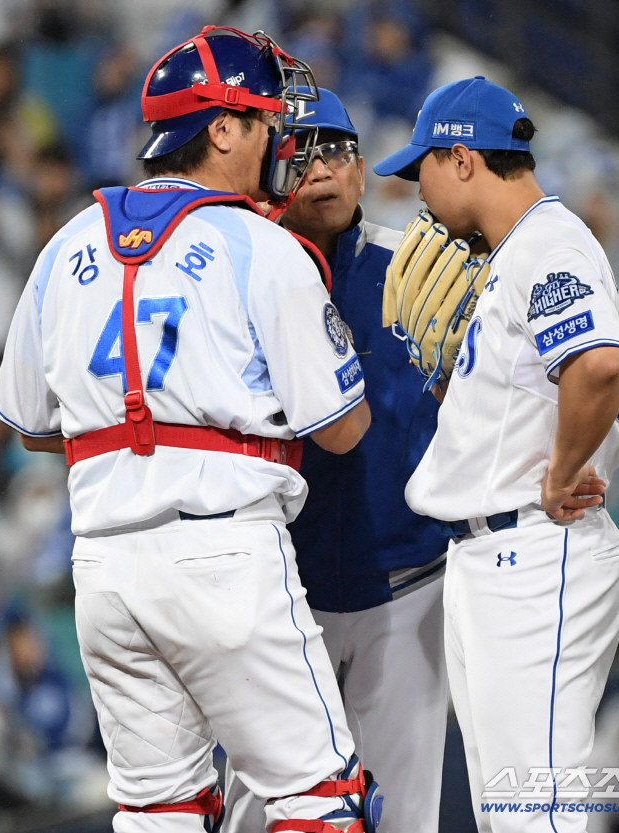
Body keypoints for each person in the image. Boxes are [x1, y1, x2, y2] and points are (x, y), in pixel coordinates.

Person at [0, 26, 378, 833]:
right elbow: (343, 428)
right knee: (323, 804)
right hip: (224, 553)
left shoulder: (66, 244)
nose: (281, 135)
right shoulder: (260, 245)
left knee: (158, 811)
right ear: (223, 129)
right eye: (266, 117)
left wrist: (139, 433)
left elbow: (29, 426)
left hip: (102, 563)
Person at [373, 76, 619, 833]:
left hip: (536, 552)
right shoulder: (513, 254)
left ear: (461, 159)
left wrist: (558, 472)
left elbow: (600, 363)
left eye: (420, 164)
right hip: (497, 558)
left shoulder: (549, 243)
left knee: (536, 816)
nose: (414, 185)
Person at [223, 89, 448, 833]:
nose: (322, 167)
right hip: (284, 589)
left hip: (408, 583)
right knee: (261, 812)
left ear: (361, 169)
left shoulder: (419, 268)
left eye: (338, 150)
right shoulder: (239, 270)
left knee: (405, 814)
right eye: (302, 149)